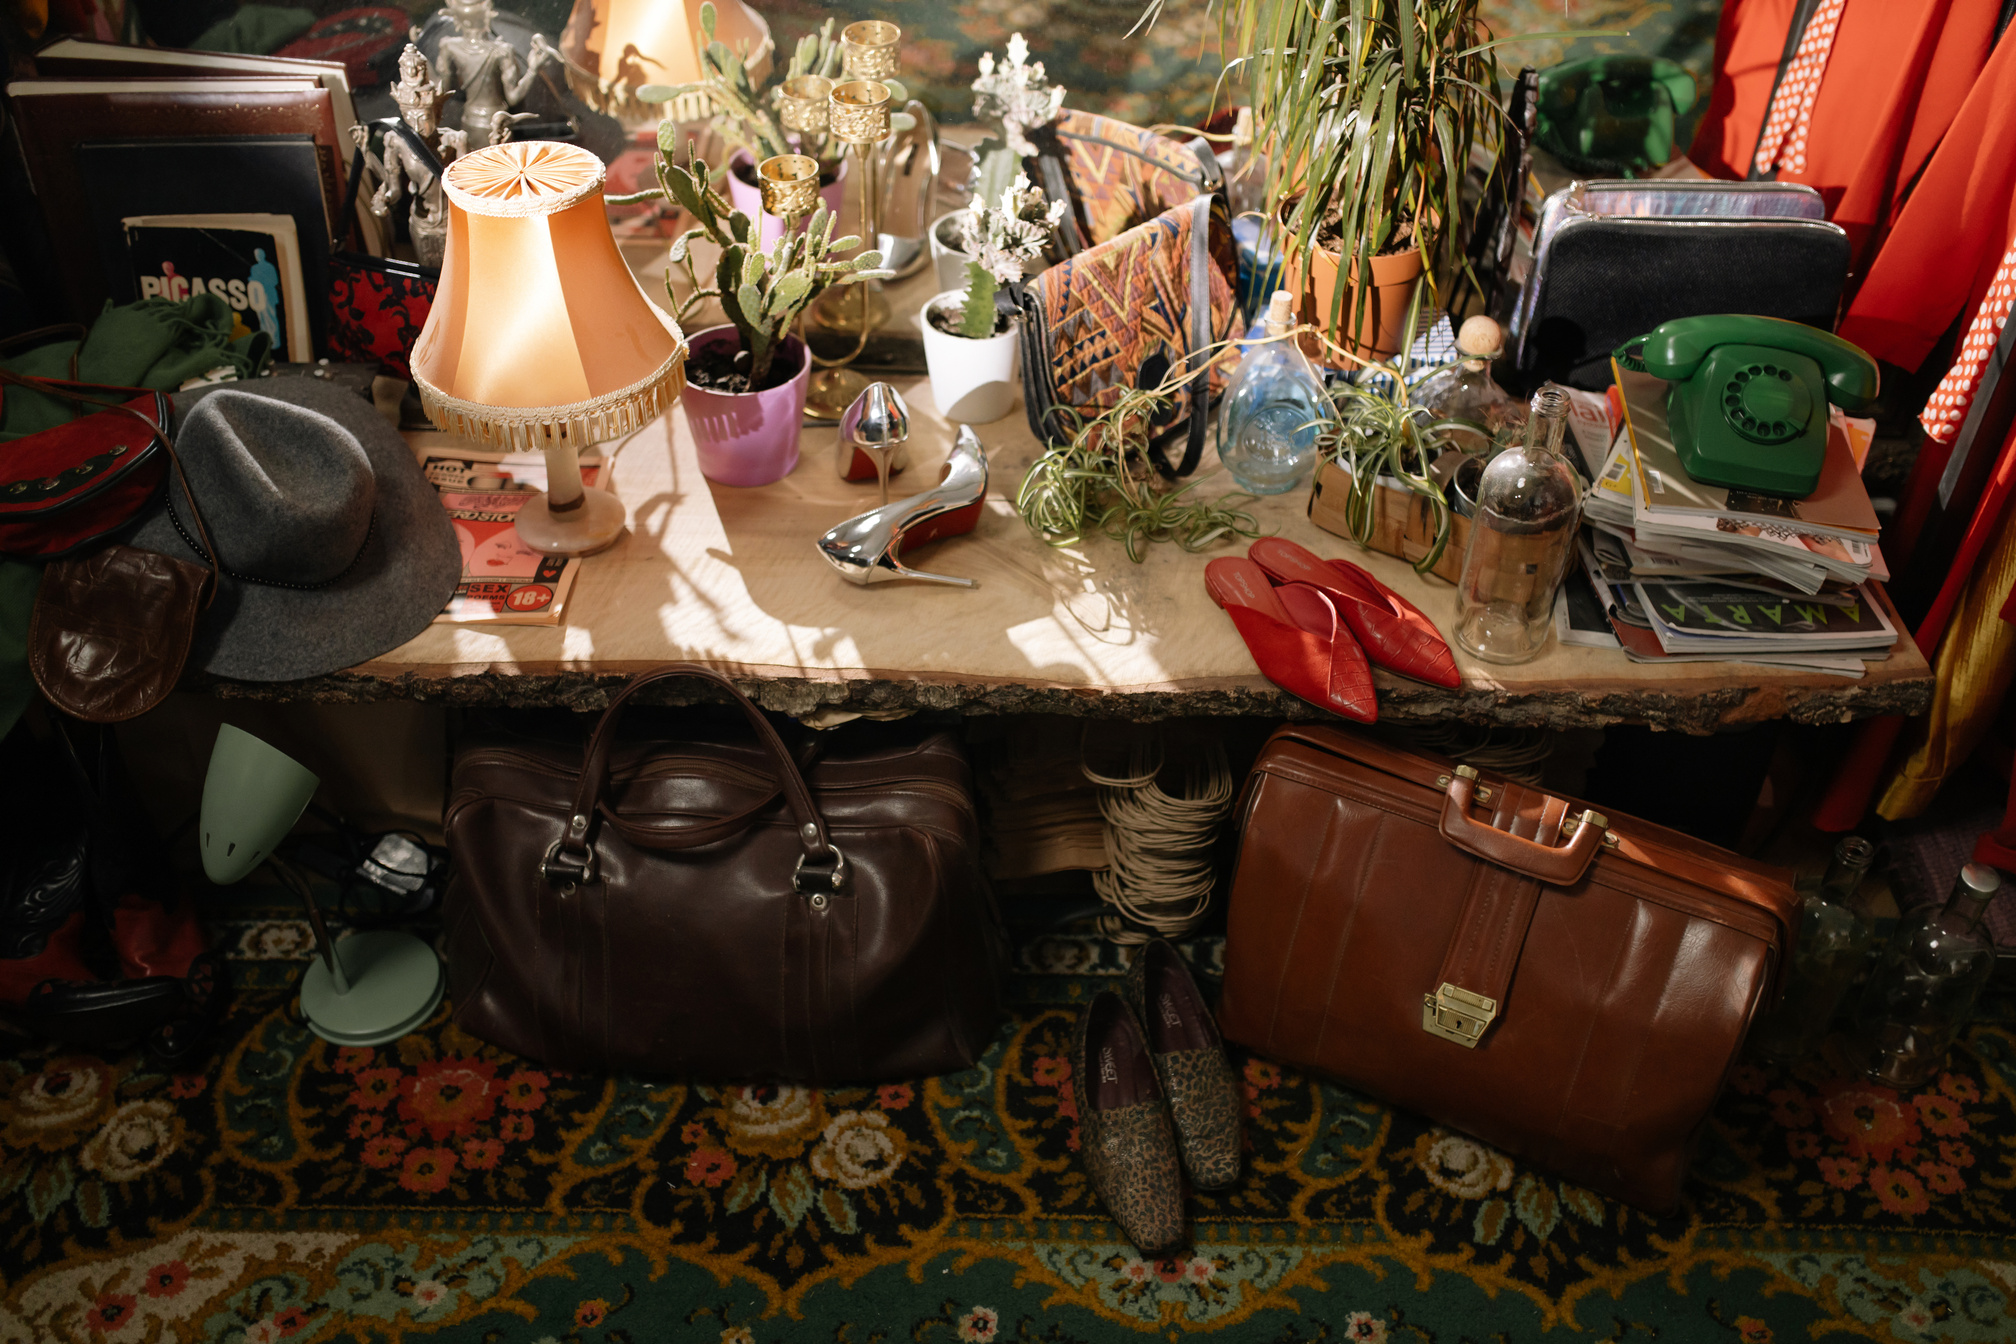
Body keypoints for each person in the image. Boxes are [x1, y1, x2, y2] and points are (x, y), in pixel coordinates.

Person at [431, 0, 557, 146]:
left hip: (469, 119)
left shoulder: (448, 46)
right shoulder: (503, 51)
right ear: (488, 16)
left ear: (456, 18)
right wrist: (533, 70)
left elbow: (444, 90)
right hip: (498, 122)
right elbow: (513, 98)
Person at [246, 248, 283, 356]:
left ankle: (275, 342)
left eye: (258, 254)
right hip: (258, 295)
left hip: (268, 294)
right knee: (262, 318)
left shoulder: (269, 266)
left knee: (271, 318)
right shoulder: (254, 267)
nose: (257, 257)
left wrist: (264, 280)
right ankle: (266, 342)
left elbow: (274, 281)